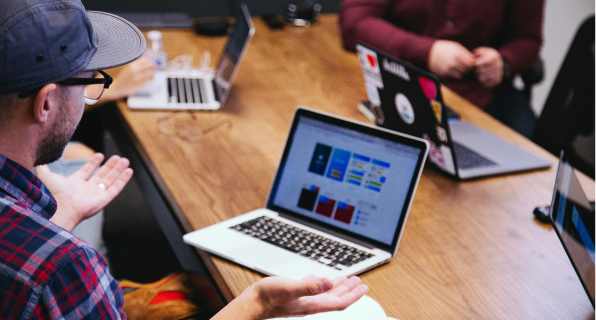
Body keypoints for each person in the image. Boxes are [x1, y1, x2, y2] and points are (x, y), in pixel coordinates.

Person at [0, 0, 368, 318]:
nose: (87, 97)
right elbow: (42, 270)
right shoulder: (65, 270)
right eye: (89, 82)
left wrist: (64, 214)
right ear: (46, 103)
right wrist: (258, 302)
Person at [340, 0, 544, 138]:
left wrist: (505, 61)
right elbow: (356, 21)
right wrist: (428, 52)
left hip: (484, 99)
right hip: (398, 80)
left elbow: (528, 39)